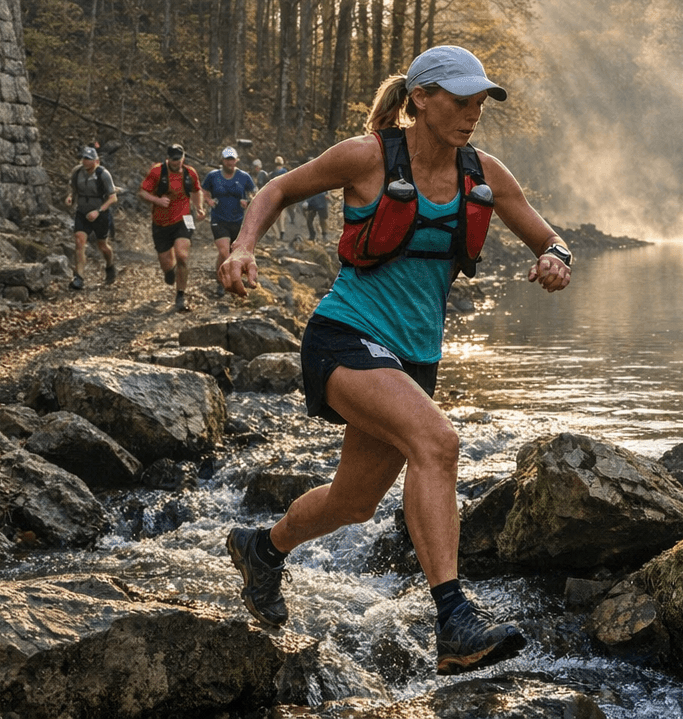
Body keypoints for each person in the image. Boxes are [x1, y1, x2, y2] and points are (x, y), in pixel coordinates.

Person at [218, 45, 573, 674]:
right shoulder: (368, 157)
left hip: (412, 357)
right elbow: (277, 188)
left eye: (480, 102)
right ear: (421, 100)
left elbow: (549, 235)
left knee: (352, 503)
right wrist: (244, 246)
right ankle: (454, 621)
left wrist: (554, 257)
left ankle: (262, 548)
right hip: (345, 336)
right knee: (437, 442)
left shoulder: (483, 172)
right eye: (460, 101)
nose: (473, 114)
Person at [138, 143, 202, 312]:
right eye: (173, 160)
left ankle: (180, 296)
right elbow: (143, 192)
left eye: (179, 159)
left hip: (184, 218)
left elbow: (196, 190)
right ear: (168, 159)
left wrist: (199, 207)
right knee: (167, 266)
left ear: (184, 157)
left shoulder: (190, 172)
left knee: (182, 255)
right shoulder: (157, 172)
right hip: (161, 222)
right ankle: (170, 271)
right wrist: (157, 200)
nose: (176, 163)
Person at [201, 146, 255, 295]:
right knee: (225, 252)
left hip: (238, 220)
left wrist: (248, 201)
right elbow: (203, 191)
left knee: (230, 252)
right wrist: (208, 200)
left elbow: (255, 193)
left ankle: (221, 275)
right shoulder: (213, 176)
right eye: (227, 159)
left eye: (232, 159)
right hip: (219, 219)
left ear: (236, 160)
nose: (230, 162)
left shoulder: (244, 176)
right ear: (222, 160)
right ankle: (223, 282)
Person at [66, 145, 118, 289]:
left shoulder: (103, 174)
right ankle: (79, 277)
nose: (85, 161)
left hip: (100, 214)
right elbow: (73, 188)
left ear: (96, 161)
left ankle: (110, 266)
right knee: (79, 242)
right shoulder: (77, 172)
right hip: (82, 212)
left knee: (102, 246)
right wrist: (70, 197)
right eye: (84, 158)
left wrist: (98, 211)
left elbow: (113, 198)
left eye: (88, 159)